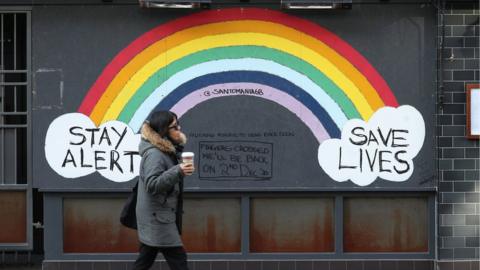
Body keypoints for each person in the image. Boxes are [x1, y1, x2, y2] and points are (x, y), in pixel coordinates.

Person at [132, 110, 194, 270]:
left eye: (178, 124)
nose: (179, 128)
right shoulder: (155, 154)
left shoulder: (165, 151)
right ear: (163, 130)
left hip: (159, 216)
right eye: (174, 127)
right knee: (178, 258)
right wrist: (178, 170)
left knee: (145, 258)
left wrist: (178, 167)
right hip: (157, 217)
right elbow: (153, 185)